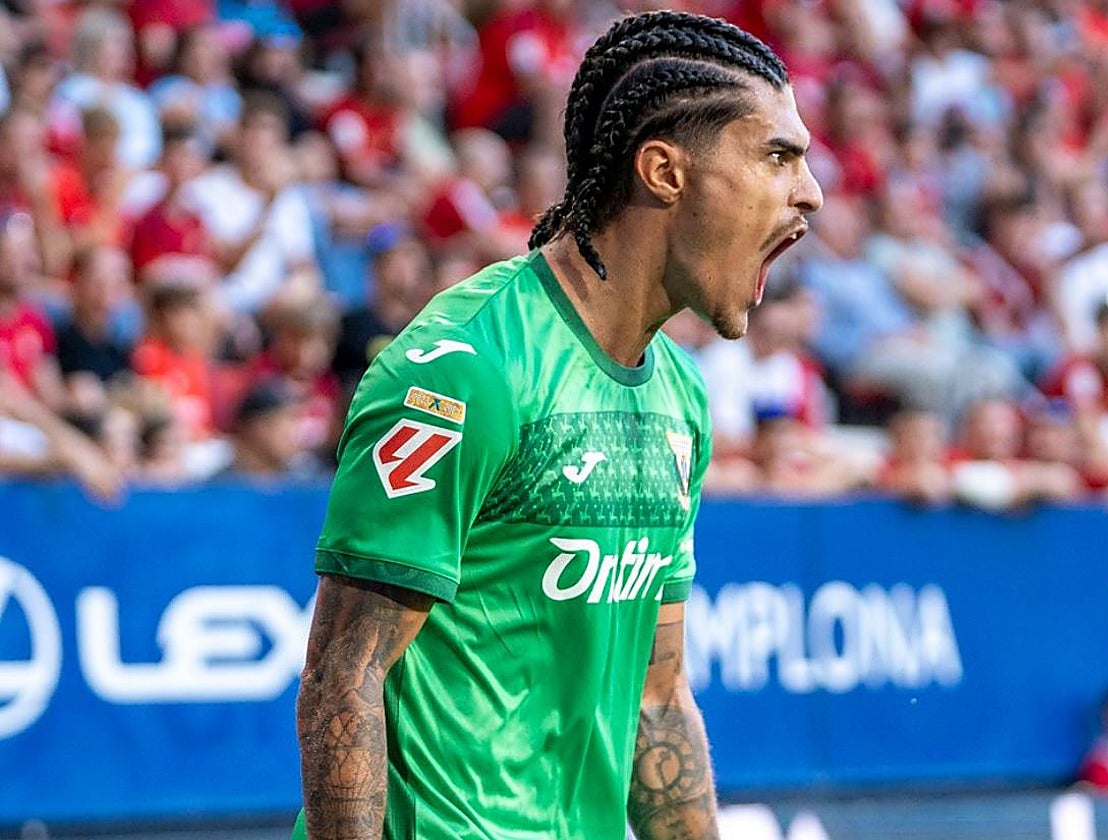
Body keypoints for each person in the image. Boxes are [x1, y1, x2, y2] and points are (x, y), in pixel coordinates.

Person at [294, 10, 821, 840]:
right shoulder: (470, 368)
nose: (810, 192)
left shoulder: (679, 394)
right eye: (777, 155)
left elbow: (658, 701)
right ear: (664, 170)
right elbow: (342, 682)